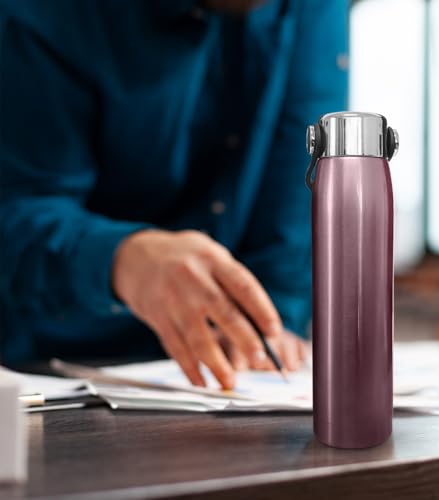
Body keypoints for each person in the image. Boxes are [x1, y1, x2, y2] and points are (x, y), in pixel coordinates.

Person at [0, 0, 348, 388]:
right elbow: (16, 207)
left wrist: (273, 321)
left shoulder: (314, 8)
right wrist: (121, 259)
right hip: (56, 367)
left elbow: (299, 187)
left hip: (235, 379)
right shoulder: (46, 14)